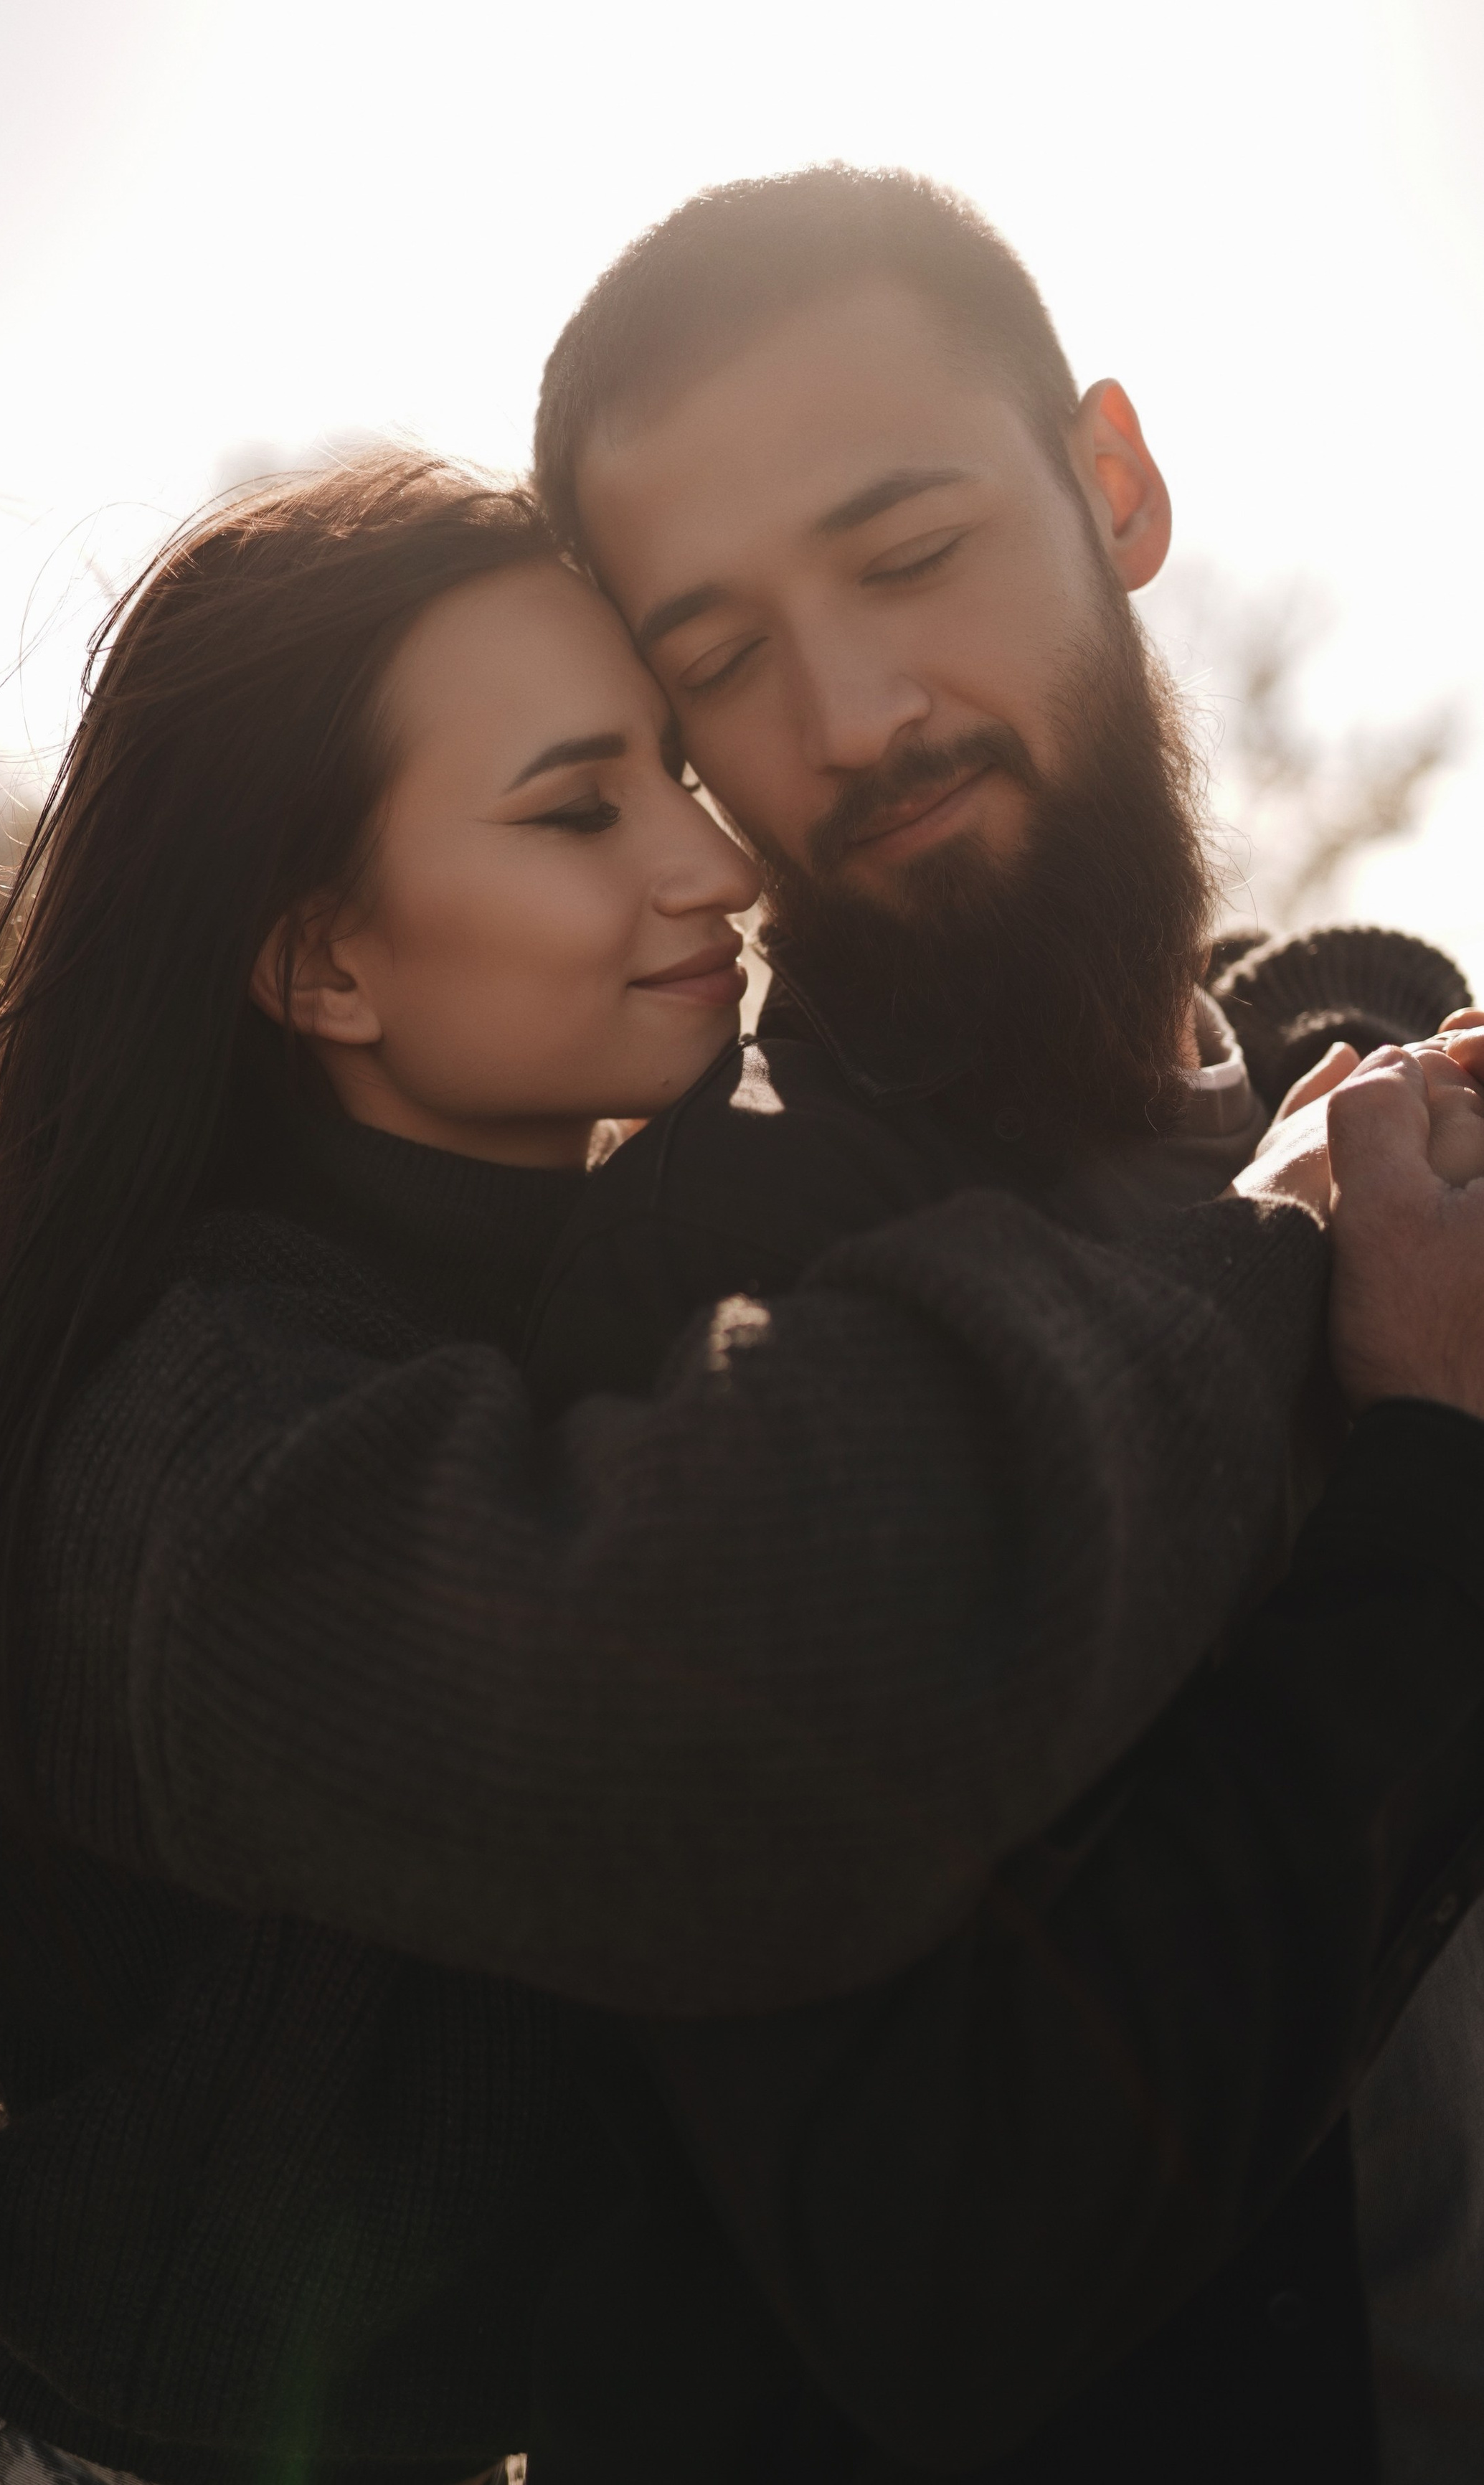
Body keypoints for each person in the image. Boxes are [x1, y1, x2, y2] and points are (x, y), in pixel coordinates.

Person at [0, 454, 1484, 2485]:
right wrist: (1277, 1231)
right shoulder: (197, 1455)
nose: (718, 863)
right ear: (321, 963)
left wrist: (1314, 1037)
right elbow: (749, 1626)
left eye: (678, 767)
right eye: (579, 810)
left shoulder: (556, 1274)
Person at [524, 160, 1484, 2471]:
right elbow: (933, 2253)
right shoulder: (711, 1297)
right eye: (719, 653)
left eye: (910, 551)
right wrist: (1433, 1473)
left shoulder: (1390, 1087)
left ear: (1116, 486)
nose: (850, 714)